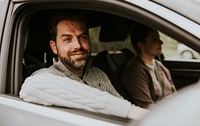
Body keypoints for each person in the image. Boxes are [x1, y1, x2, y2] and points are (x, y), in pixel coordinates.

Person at [19, 13, 148, 120]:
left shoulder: (98, 74)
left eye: (83, 37)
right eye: (67, 39)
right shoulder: (46, 76)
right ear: (54, 47)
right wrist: (134, 112)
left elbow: (122, 108)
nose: (78, 45)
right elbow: (32, 87)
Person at [121, 25, 176, 109]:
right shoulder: (135, 72)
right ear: (141, 45)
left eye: (159, 38)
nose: (161, 42)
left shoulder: (158, 64)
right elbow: (147, 108)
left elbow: (174, 93)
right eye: (154, 39)